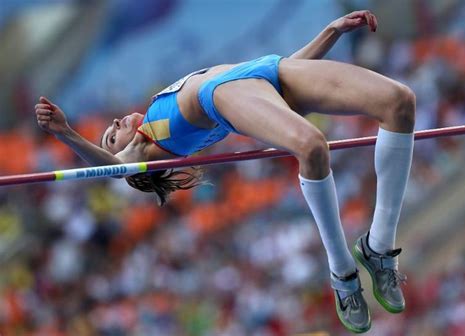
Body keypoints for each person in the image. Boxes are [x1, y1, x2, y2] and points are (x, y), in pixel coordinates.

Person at [35, 10, 414, 333]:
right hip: (223, 94)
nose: (116, 125)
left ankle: (379, 248)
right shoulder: (145, 145)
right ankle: (342, 273)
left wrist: (330, 31)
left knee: (399, 102)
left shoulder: (155, 116)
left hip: (265, 72)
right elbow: (115, 169)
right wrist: (66, 133)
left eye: (111, 129)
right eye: (111, 136)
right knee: (312, 146)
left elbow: (278, 79)